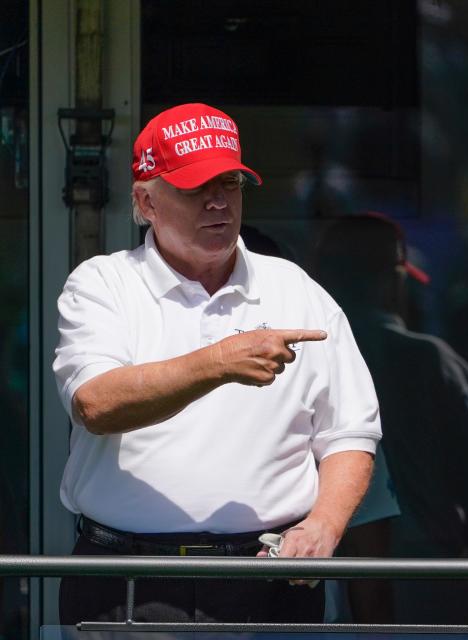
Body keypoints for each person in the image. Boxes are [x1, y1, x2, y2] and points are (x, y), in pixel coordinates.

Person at [52, 103, 380, 624]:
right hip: (130, 585)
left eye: (229, 183)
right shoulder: (103, 283)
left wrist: (325, 524)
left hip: (271, 581)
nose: (216, 202)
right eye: (192, 187)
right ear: (145, 201)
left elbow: (349, 433)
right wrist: (220, 361)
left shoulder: (295, 287)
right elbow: (95, 404)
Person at [314, 213, 468, 624]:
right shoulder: (432, 363)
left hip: (317, 583)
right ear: (394, 282)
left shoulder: (292, 359)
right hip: (425, 584)